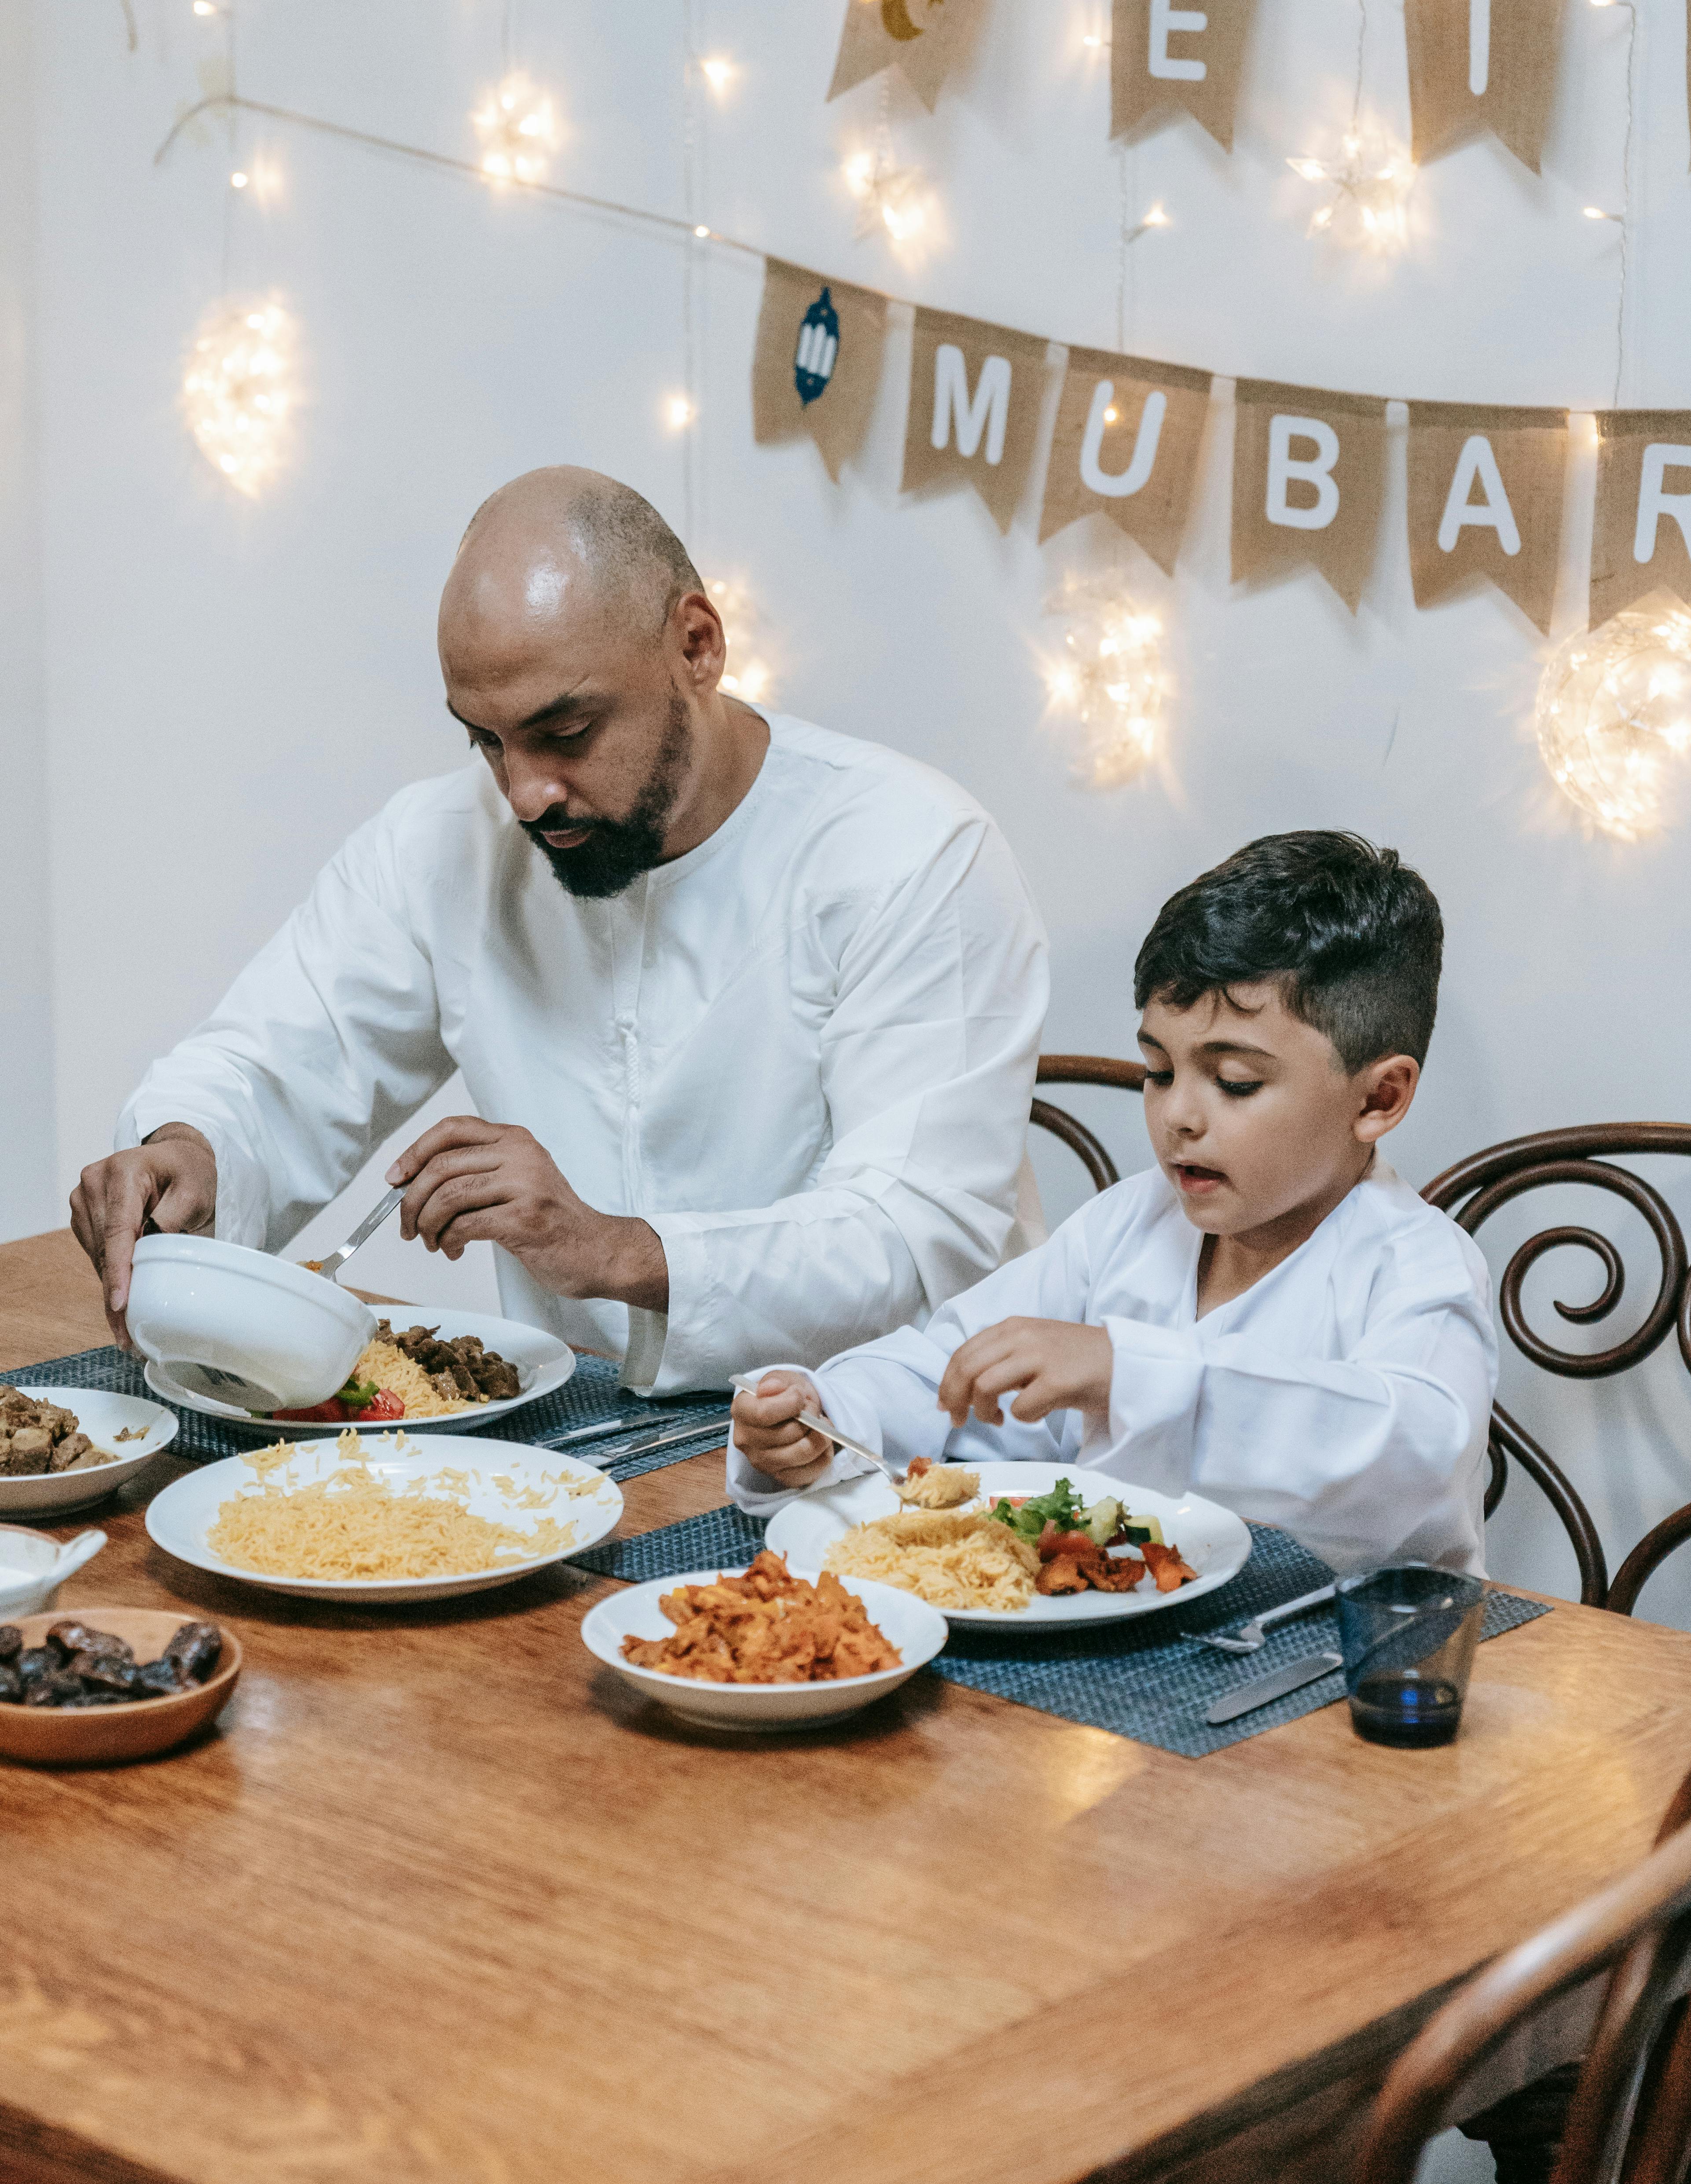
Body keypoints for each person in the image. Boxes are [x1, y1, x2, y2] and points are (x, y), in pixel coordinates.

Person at [70, 468, 1049, 1392]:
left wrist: (613, 1249)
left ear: (697, 645)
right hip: (569, 1442)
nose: (525, 792)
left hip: (889, 1458)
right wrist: (187, 1147)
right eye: (485, 739)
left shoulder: (913, 851)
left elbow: (913, 1235)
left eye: (567, 733)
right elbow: (275, 1062)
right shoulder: (441, 843)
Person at [729, 829, 1497, 1577]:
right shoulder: (1129, 1226)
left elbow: (1414, 1451)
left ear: (1379, 1096)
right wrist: (831, 1413)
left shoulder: (1418, 1266)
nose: (1178, 1116)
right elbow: (956, 1368)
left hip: (1346, 1668)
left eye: (1234, 1082)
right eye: (1159, 1071)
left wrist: (1130, 1371)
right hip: (1121, 1649)